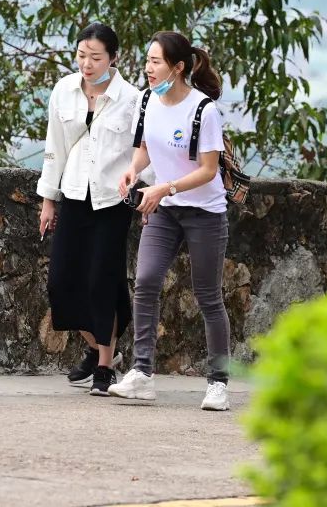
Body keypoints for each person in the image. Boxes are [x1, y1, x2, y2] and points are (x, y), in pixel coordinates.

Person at [110, 31, 233, 411]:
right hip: (165, 209)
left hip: (204, 213)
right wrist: (133, 170)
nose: (148, 68)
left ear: (178, 68)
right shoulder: (147, 100)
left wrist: (165, 188)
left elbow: (210, 171)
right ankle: (142, 374)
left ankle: (218, 382)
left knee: (208, 296)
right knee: (145, 282)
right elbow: (145, 148)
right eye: (147, 60)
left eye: (156, 62)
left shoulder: (203, 111)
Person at [36, 22, 140, 396]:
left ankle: (104, 365)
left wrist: (147, 191)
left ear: (114, 59)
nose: (87, 64)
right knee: (61, 281)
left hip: (113, 201)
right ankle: (97, 344)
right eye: (82, 56)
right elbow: (55, 148)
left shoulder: (131, 98)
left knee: (101, 281)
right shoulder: (64, 91)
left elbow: (141, 152)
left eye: (96, 57)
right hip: (75, 194)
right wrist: (49, 200)